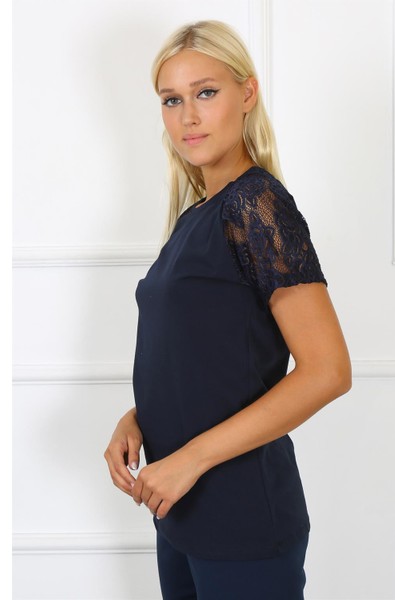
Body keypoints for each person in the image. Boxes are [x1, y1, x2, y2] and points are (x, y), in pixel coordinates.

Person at [104, 20, 351, 600]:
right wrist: (139, 416)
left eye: (206, 92)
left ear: (247, 93)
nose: (188, 117)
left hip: (241, 516)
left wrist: (188, 460)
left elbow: (328, 371)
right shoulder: (198, 215)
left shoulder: (257, 206)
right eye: (172, 100)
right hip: (180, 510)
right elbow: (211, 359)